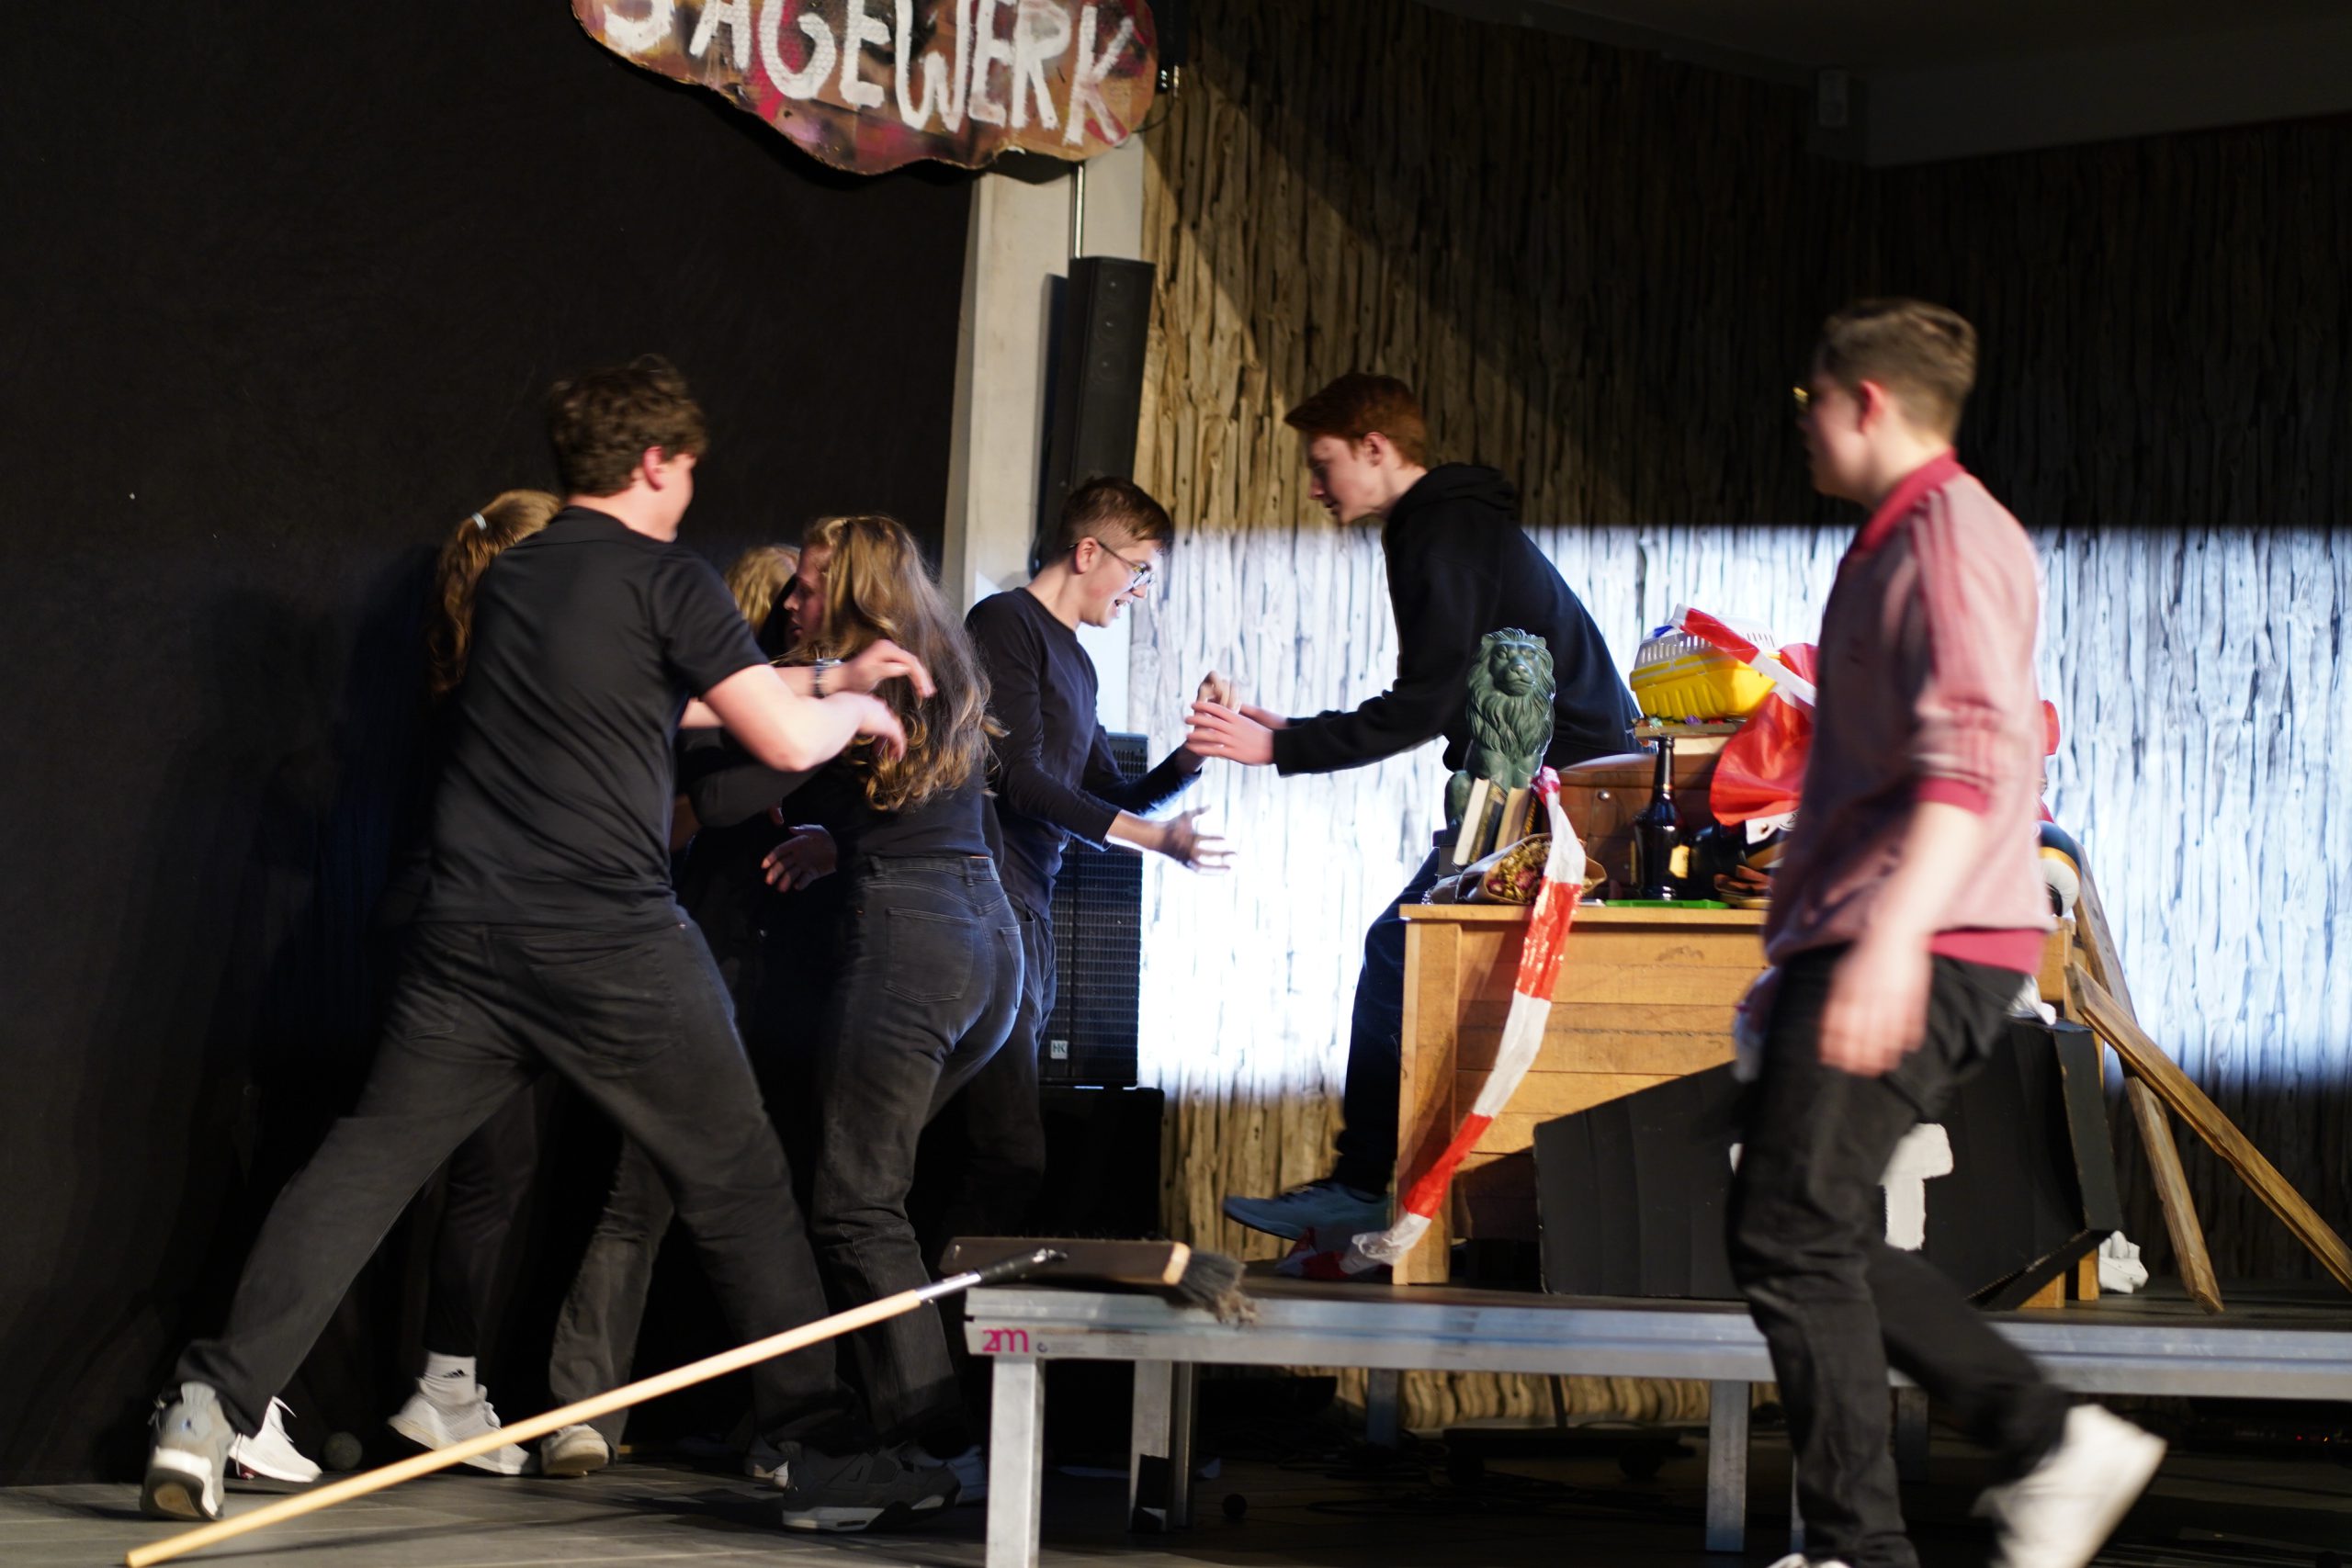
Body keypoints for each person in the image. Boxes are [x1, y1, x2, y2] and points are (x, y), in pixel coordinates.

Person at [141, 356, 957, 1534]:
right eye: (688, 468)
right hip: (608, 936)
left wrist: (823, 670)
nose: (691, 487)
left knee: (359, 1171)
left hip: (464, 939)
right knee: (739, 1182)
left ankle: (206, 1410)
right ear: (655, 462)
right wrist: (856, 709)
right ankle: (820, 1453)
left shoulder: (516, 578)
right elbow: (779, 742)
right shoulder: (666, 576)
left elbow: (649, 695)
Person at [1732, 299, 2163, 1568]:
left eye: (1811, 398)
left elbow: (1973, 758)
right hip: (1881, 933)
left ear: (1866, 400)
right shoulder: (1889, 543)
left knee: (1793, 1227)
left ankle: (2005, 1461)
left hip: (1930, 935)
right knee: (1803, 1227)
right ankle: (1930, 1499)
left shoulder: (1951, 536)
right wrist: (1803, 955)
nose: (1802, 421)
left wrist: (1885, 942)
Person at [1191, 373, 1638, 1244]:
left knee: (1400, 951)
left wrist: (1281, 749)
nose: (1315, 487)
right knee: (1405, 952)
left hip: (1561, 792)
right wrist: (1294, 730)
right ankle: (1377, 1184)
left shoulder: (1440, 525)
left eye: (1323, 463)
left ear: (1375, 448)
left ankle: (1367, 1186)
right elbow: (1438, 694)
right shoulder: (1445, 521)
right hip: (1542, 780)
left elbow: (1426, 701)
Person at [750, 514, 1024, 1495]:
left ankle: (929, 1442)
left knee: (856, 1202)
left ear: (858, 593)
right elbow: (931, 807)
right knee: (868, 1190)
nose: (793, 600)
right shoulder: (942, 663)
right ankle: (901, 1426)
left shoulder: (860, 672)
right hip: (985, 937)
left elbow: (743, 765)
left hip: (915, 939)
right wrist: (843, 841)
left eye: (809, 584)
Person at [939, 477, 1227, 1257]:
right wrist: (1154, 837)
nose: (1140, 591)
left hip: (1030, 912)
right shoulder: (1005, 623)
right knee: (1004, 1152)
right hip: (987, 902)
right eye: (1139, 570)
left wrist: (1192, 755)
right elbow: (1018, 778)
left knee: (1004, 1153)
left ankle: (935, 1307)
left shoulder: (1078, 662)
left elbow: (1107, 792)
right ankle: (924, 1309)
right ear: (1089, 551)